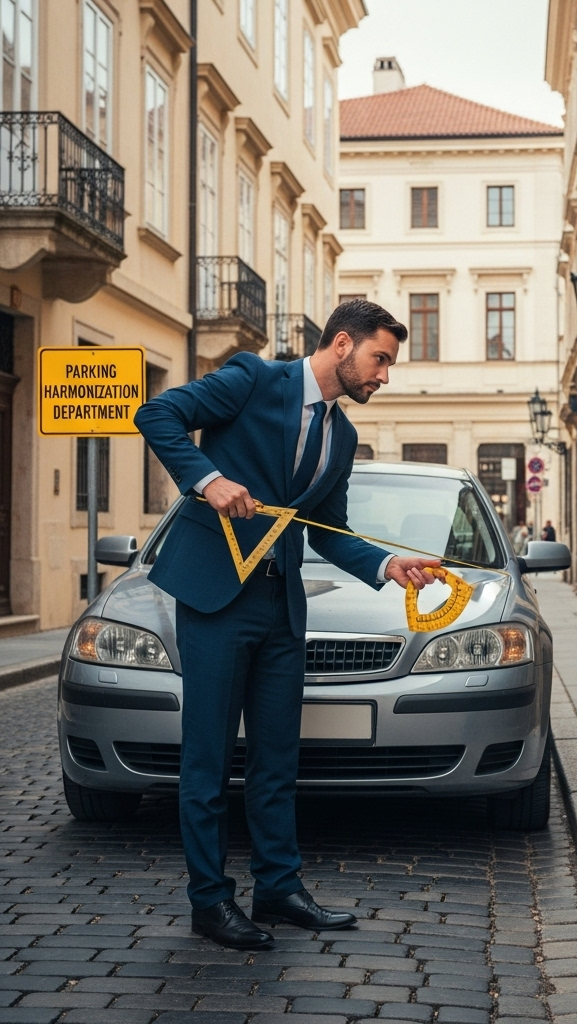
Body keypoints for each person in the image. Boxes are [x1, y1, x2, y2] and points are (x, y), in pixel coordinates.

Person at [135, 299, 440, 951]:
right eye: (380, 359)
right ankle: (210, 901)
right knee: (209, 760)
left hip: (280, 607)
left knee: (277, 759)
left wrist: (390, 564)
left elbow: (329, 534)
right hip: (216, 599)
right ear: (340, 345)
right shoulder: (251, 378)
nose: (385, 375)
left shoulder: (343, 436)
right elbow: (156, 413)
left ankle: (277, 887)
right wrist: (207, 480)